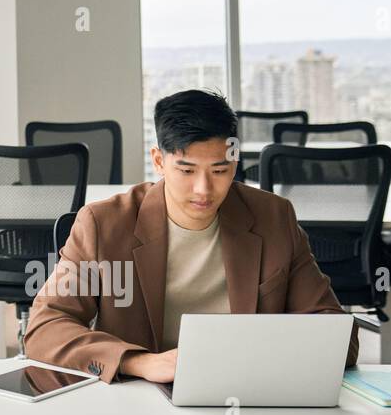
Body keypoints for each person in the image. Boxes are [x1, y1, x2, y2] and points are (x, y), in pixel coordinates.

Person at [24, 88, 360, 383]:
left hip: (248, 391)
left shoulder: (273, 218)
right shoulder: (104, 224)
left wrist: (263, 361)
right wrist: (140, 363)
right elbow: (45, 328)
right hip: (144, 393)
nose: (204, 189)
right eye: (186, 171)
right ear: (159, 161)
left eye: (219, 171)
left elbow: (338, 335)